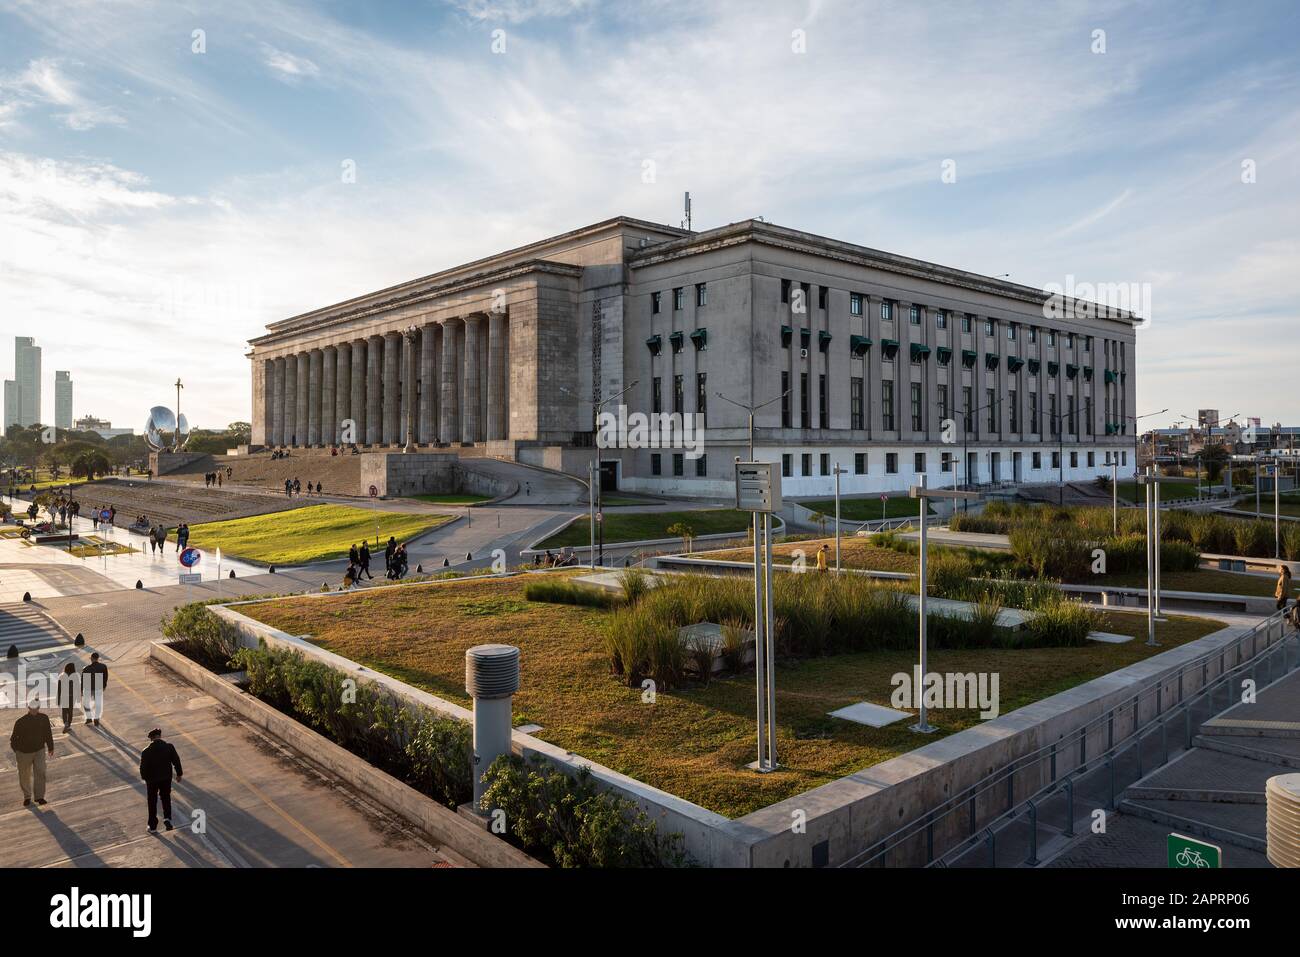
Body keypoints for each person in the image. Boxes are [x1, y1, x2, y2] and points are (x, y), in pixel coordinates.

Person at [10, 699, 54, 807]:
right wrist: (17, 751)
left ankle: (39, 797)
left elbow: (48, 733)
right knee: (24, 776)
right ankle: (27, 796)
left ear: (39, 708)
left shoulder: (44, 718)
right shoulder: (20, 722)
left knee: (41, 772)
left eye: (36, 708)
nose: (34, 711)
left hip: (39, 750)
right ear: (28, 708)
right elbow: (13, 739)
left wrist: (50, 747)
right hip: (23, 753)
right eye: (32, 709)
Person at [139, 728, 183, 832]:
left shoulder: (146, 751)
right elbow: (176, 760)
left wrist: (145, 778)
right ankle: (168, 819)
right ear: (160, 736)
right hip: (166, 778)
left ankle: (153, 826)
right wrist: (179, 774)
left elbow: (143, 768)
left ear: (151, 738)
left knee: (152, 801)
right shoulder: (169, 747)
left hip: (152, 780)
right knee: (166, 797)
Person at [81, 652, 108, 726]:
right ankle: (96, 719)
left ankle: (89, 718)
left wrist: (81, 690)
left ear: (92, 659)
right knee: (98, 704)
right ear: (98, 658)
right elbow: (105, 678)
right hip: (98, 687)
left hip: (88, 688)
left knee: (86, 703)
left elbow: (83, 680)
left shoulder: (86, 669)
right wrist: (104, 686)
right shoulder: (103, 667)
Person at [56, 662, 78, 733]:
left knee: (64, 711)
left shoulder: (61, 676)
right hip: (71, 696)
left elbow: (59, 689)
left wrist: (58, 699)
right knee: (70, 711)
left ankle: (65, 723)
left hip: (63, 696)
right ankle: (68, 725)